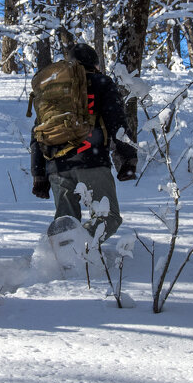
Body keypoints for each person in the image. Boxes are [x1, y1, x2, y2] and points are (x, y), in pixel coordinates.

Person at [30, 43, 137, 243]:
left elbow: (36, 133)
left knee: (65, 222)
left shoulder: (53, 88)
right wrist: (128, 158)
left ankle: (62, 261)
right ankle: (76, 251)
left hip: (56, 165)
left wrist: (39, 175)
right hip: (91, 159)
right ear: (95, 65)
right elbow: (117, 123)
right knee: (108, 217)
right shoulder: (101, 82)